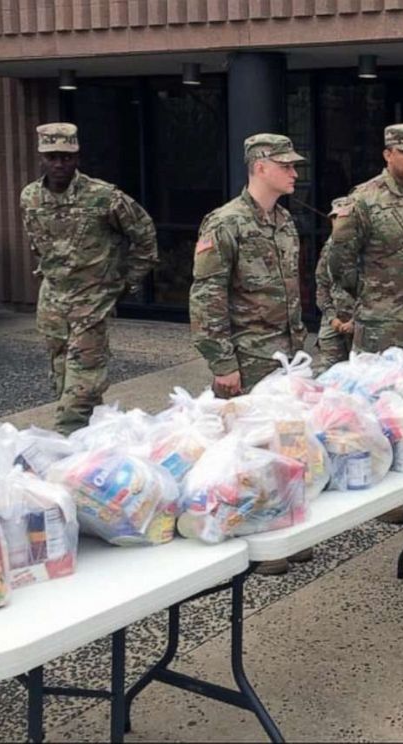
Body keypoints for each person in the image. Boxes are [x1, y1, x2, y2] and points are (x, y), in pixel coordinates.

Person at [189, 133, 309, 575]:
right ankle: (255, 543)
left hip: (285, 356)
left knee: (284, 450)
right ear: (261, 166)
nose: (295, 173)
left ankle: (284, 531)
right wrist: (222, 363)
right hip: (248, 358)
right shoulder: (225, 223)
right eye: (287, 165)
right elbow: (206, 296)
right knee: (246, 459)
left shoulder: (284, 221)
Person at [329, 123, 403, 524]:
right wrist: (358, 302)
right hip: (382, 322)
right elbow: (338, 260)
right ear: (387, 154)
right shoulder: (364, 200)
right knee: (378, 411)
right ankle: (384, 493)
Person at [20, 122, 158, 435]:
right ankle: (91, 447)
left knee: (81, 388)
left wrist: (126, 282)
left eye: (66, 157)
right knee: (64, 382)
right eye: (52, 156)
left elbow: (145, 234)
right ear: (41, 156)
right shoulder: (30, 197)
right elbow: (37, 244)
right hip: (53, 308)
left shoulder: (103, 196)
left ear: (77, 157)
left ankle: (63, 450)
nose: (59, 163)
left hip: (92, 306)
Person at [314, 196, 357, 372]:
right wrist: (332, 318)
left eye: (344, 218)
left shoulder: (368, 247)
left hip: (363, 322)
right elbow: (322, 285)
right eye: (335, 218)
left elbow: (376, 291)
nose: (338, 223)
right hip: (334, 321)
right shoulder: (329, 247)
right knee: (326, 373)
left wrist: (356, 320)